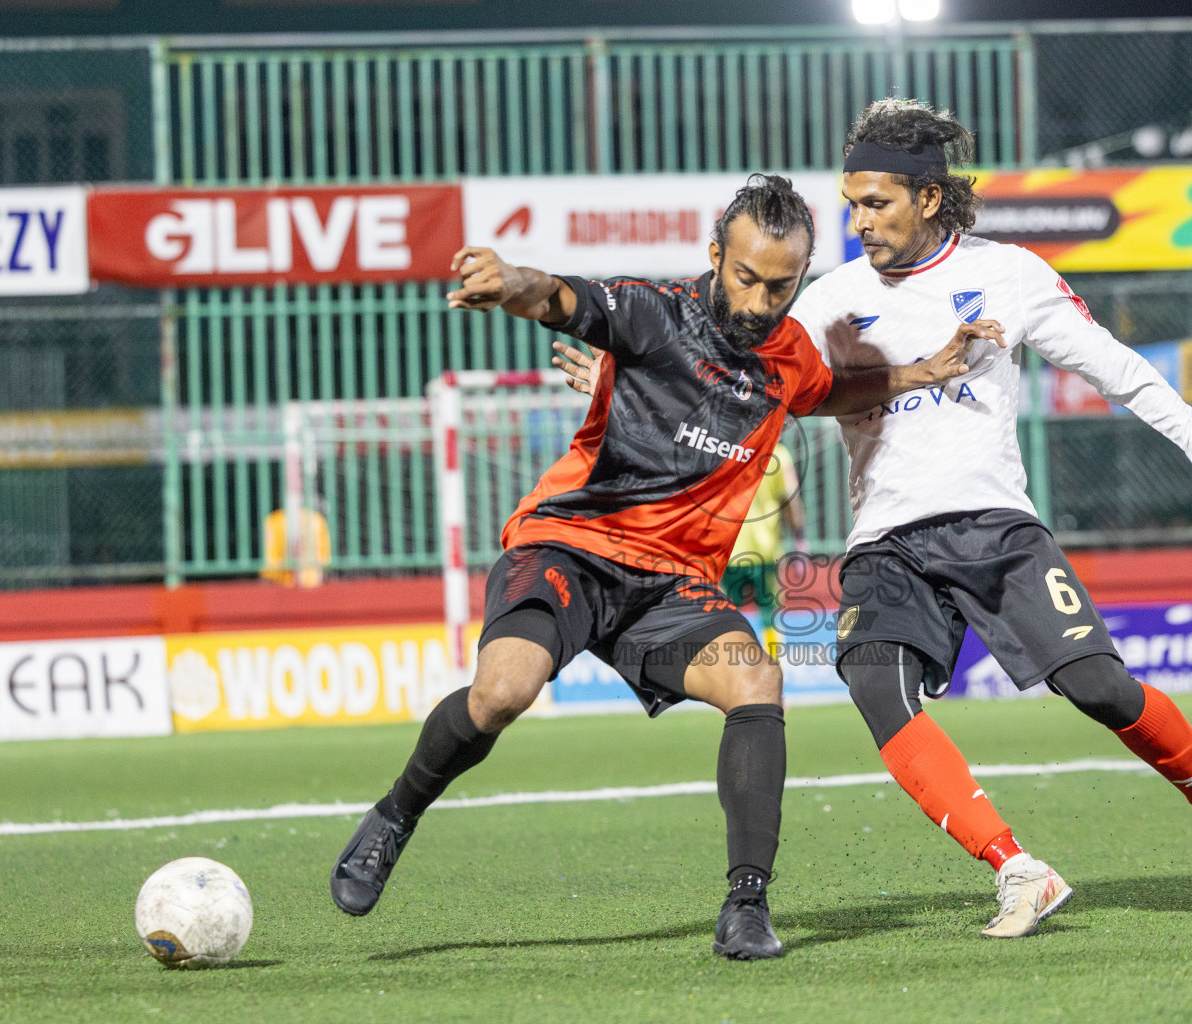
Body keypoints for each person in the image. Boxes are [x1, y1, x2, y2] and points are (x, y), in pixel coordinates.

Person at [558, 103, 1192, 941]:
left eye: (876, 203)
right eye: (851, 202)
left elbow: (1119, 370)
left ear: (929, 200)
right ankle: (1018, 869)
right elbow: (739, 381)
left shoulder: (1012, 274)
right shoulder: (828, 301)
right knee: (874, 684)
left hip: (995, 528)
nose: (858, 220)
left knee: (1098, 686)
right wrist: (630, 389)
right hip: (884, 543)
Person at [328, 174, 1000, 960]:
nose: (759, 302)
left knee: (756, 681)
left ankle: (746, 907)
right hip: (570, 548)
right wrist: (510, 282)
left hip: (672, 589)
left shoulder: (787, 356)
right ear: (716, 256)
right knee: (502, 692)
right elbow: (561, 298)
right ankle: (395, 815)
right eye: (745, 278)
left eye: (780, 287)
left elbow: (825, 391)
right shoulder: (653, 313)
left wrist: (923, 370)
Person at [721, 440, 807, 653]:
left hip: (729, 549)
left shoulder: (726, 449)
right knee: (769, 613)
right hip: (765, 550)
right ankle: (774, 665)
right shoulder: (778, 453)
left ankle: (729, 669)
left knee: (724, 613)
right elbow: (790, 500)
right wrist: (800, 541)